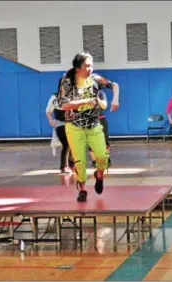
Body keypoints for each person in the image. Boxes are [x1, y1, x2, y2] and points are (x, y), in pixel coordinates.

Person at [58, 52, 119, 202]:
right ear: (78, 68)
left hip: (93, 125)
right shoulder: (67, 82)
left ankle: (99, 174)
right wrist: (86, 101)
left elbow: (114, 85)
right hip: (74, 127)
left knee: (102, 156)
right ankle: (83, 189)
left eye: (92, 65)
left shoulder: (95, 79)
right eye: (87, 65)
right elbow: (63, 104)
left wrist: (115, 100)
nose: (90, 68)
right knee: (80, 160)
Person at [46, 89, 74, 173]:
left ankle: (72, 165)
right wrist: (50, 119)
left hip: (71, 123)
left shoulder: (73, 95)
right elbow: (48, 111)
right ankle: (63, 166)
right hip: (60, 123)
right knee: (66, 144)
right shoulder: (54, 97)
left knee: (73, 144)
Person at [89, 104, 112, 168]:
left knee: (105, 140)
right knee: (91, 142)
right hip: (89, 121)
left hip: (101, 119)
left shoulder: (99, 94)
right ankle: (94, 161)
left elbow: (104, 106)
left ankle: (106, 159)